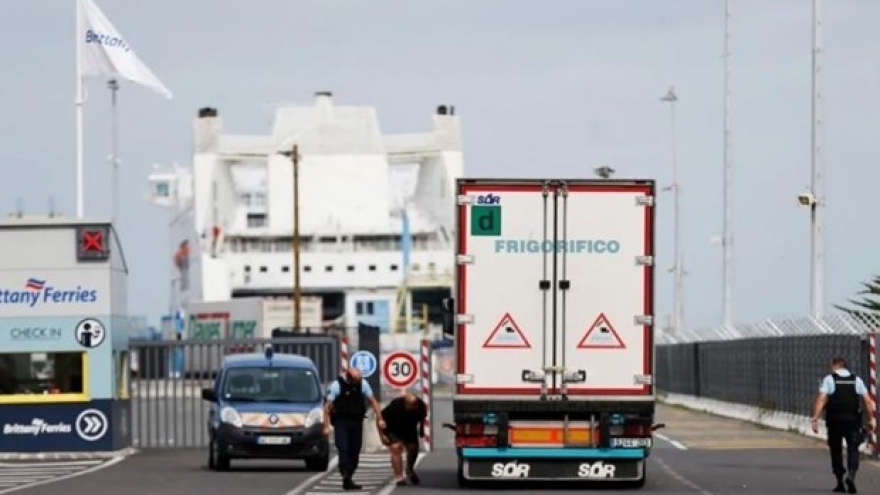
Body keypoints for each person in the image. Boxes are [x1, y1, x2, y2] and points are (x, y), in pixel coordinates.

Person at [810, 356, 876, 494]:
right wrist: (871, 419)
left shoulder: (829, 379)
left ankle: (840, 480)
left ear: (835, 366)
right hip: (852, 421)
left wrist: (815, 418)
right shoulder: (856, 380)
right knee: (853, 448)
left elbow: (822, 399)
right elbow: (868, 401)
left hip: (834, 421)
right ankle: (851, 475)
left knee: (836, 450)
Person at [323, 367, 385, 491]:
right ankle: (344, 471)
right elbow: (327, 407)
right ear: (349, 377)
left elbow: (373, 401)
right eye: (355, 380)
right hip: (341, 421)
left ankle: (348, 476)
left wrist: (380, 418)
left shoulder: (363, 383)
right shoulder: (337, 385)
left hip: (356, 421)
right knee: (343, 447)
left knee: (355, 450)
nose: (358, 382)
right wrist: (326, 426)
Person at [379, 392, 428, 486]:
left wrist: (421, 431)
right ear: (406, 404)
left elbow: (422, 418)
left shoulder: (421, 406)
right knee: (396, 448)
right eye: (413, 405)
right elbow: (380, 419)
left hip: (409, 428)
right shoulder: (395, 405)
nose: (415, 407)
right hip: (393, 428)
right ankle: (399, 477)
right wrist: (382, 436)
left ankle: (410, 469)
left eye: (416, 404)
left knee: (413, 448)